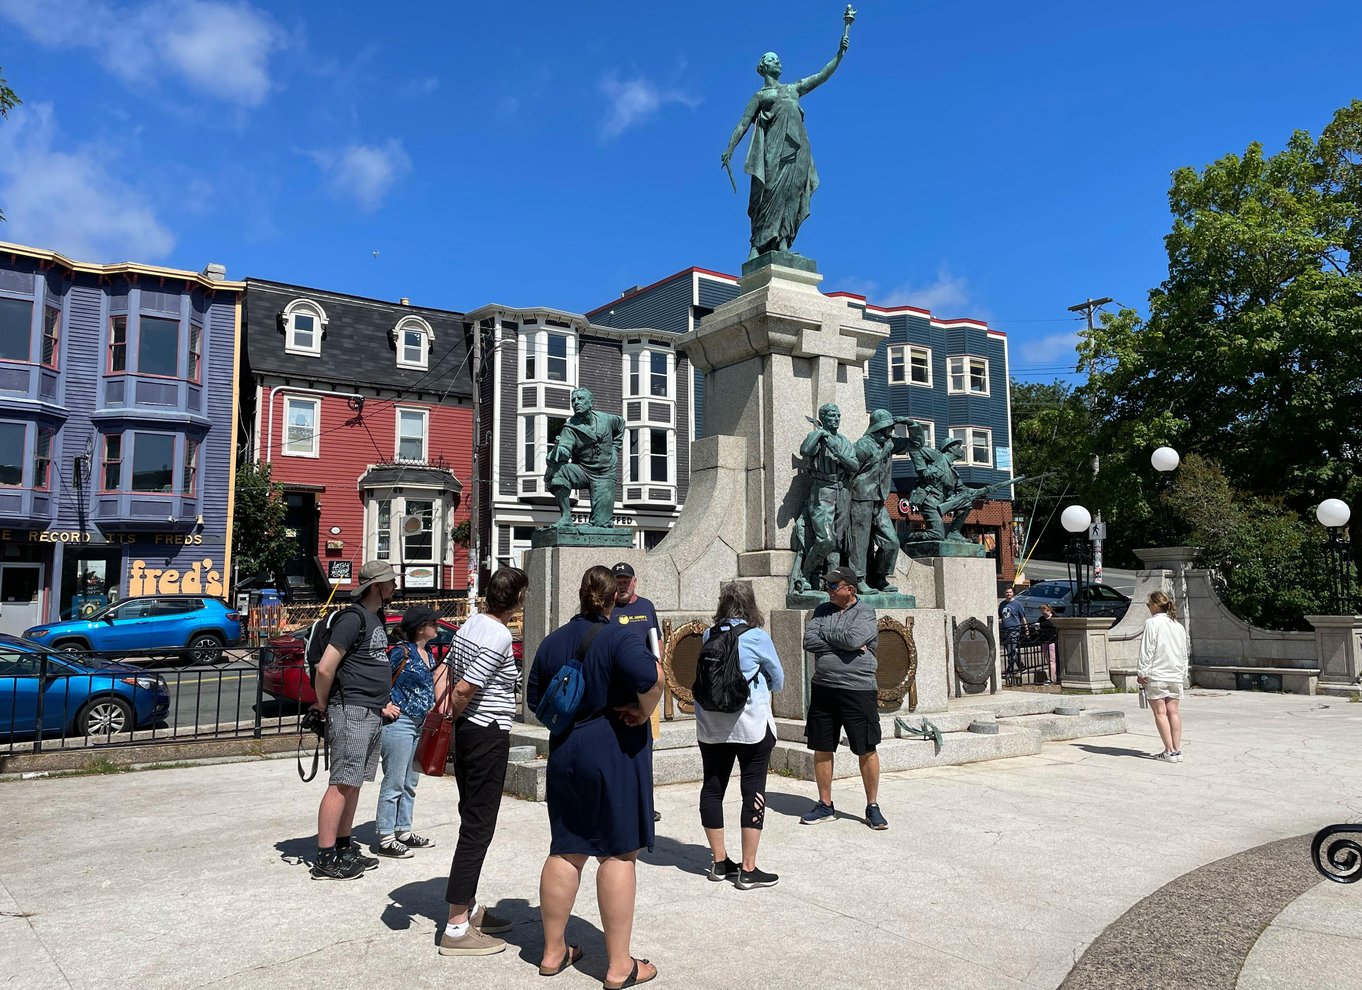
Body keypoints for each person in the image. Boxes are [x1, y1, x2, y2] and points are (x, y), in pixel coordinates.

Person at [526, 566, 663, 987]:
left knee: (565, 849)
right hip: (613, 749)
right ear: (609, 599)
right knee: (618, 853)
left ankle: (553, 952)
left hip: (566, 750)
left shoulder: (552, 642)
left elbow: (535, 700)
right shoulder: (620, 636)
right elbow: (654, 678)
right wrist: (643, 710)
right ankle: (619, 965)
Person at [438, 566, 530, 957]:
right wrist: (456, 714)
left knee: (471, 816)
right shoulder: (497, 636)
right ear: (519, 599)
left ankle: (469, 905)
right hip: (485, 730)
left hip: (470, 732)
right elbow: (463, 688)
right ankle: (457, 925)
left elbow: (446, 670)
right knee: (478, 825)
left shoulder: (472, 623)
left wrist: (454, 720)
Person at [720, 13, 853, 261]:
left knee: (792, 193)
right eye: (773, 61)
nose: (779, 63)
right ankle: (758, 245)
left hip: (797, 152)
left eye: (779, 60)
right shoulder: (761, 96)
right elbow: (743, 123)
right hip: (772, 153)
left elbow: (821, 75)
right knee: (767, 193)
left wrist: (840, 53)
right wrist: (730, 149)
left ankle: (783, 242)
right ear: (763, 68)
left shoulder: (793, 89)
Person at [308, 560, 399, 881]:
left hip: (370, 711)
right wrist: (321, 704)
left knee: (354, 783)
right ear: (376, 586)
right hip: (350, 710)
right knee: (342, 783)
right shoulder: (353, 618)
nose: (394, 587)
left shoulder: (374, 618)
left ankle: (344, 846)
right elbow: (325, 667)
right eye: (390, 582)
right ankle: (325, 858)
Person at [695, 581, 785, 890]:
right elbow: (779, 679)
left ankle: (720, 862)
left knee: (712, 788)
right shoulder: (757, 636)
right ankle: (748, 869)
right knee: (753, 790)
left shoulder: (709, 635)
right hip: (750, 725)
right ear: (751, 606)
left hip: (711, 725)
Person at [799, 565, 887, 830]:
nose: (828, 589)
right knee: (822, 746)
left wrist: (838, 641)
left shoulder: (865, 612)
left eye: (833, 586)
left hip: (858, 689)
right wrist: (843, 643)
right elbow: (809, 641)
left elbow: (854, 639)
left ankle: (872, 806)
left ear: (850, 588)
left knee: (866, 747)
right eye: (827, 585)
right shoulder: (821, 611)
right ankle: (825, 804)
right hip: (824, 687)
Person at [373, 604, 442, 859]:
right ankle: (386, 836)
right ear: (420, 628)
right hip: (400, 723)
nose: (437, 626)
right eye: (432, 623)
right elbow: (379, 679)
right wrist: (383, 705)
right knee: (394, 781)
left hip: (420, 722)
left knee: (411, 781)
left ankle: (403, 830)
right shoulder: (401, 653)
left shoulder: (429, 653)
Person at [612, 561, 663, 823]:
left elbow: (658, 642)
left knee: (644, 752)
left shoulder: (646, 607)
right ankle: (619, 803)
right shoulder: (607, 608)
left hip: (643, 693)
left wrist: (657, 670)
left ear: (634, 581)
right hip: (615, 695)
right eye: (617, 580)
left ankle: (645, 805)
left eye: (625, 580)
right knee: (616, 752)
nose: (622, 584)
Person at [848, 409, 918, 592]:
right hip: (860, 498)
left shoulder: (890, 444)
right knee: (860, 542)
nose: (890, 431)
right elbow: (848, 469)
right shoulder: (863, 445)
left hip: (879, 499)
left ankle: (879, 577)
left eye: (891, 428)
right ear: (878, 428)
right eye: (888, 428)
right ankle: (858, 579)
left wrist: (911, 423)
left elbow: (916, 444)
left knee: (892, 542)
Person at [793, 403, 859, 593]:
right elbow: (805, 450)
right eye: (832, 416)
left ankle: (832, 584)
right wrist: (819, 435)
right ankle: (804, 575)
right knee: (826, 540)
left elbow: (853, 466)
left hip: (842, 492)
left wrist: (837, 451)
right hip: (822, 490)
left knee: (837, 543)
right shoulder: (818, 437)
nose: (837, 419)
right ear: (823, 418)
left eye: (838, 415)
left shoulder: (844, 441)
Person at [545, 387, 626, 530]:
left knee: (602, 525)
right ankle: (566, 518)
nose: (576, 402)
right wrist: (559, 451)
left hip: (605, 474)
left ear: (590, 402)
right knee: (558, 470)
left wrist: (615, 449)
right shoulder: (570, 427)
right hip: (582, 470)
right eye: (573, 400)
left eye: (580, 399)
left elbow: (621, 425)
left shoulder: (607, 419)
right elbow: (565, 446)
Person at [1137, 590, 1189, 763]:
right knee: (1173, 711)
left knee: (1160, 712)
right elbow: (1184, 652)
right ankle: (1177, 750)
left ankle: (1169, 750)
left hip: (1157, 673)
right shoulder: (1178, 625)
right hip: (1175, 673)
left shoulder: (1152, 623)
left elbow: (1147, 649)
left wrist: (1142, 671)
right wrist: (1183, 672)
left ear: (1154, 605)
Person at [998, 588, 1030, 680]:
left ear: (1013, 593)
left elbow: (1023, 617)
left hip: (1015, 629)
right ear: (1004, 593)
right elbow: (1000, 617)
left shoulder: (1017, 604)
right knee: (1011, 650)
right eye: (1007, 592)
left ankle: (1009, 670)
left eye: (1010, 592)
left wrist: (1026, 629)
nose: (1008, 594)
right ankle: (1021, 666)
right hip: (1005, 630)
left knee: (1010, 650)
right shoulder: (1002, 604)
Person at [1035, 603, 1058, 684]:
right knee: (1048, 660)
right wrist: (1037, 629)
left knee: (1052, 660)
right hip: (1044, 640)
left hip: (1052, 641)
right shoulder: (1041, 619)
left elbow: (1057, 629)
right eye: (1042, 612)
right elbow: (1037, 629)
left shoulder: (1054, 618)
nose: (1043, 613)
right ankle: (1052, 676)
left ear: (1049, 610)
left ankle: (1052, 679)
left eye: (1044, 612)